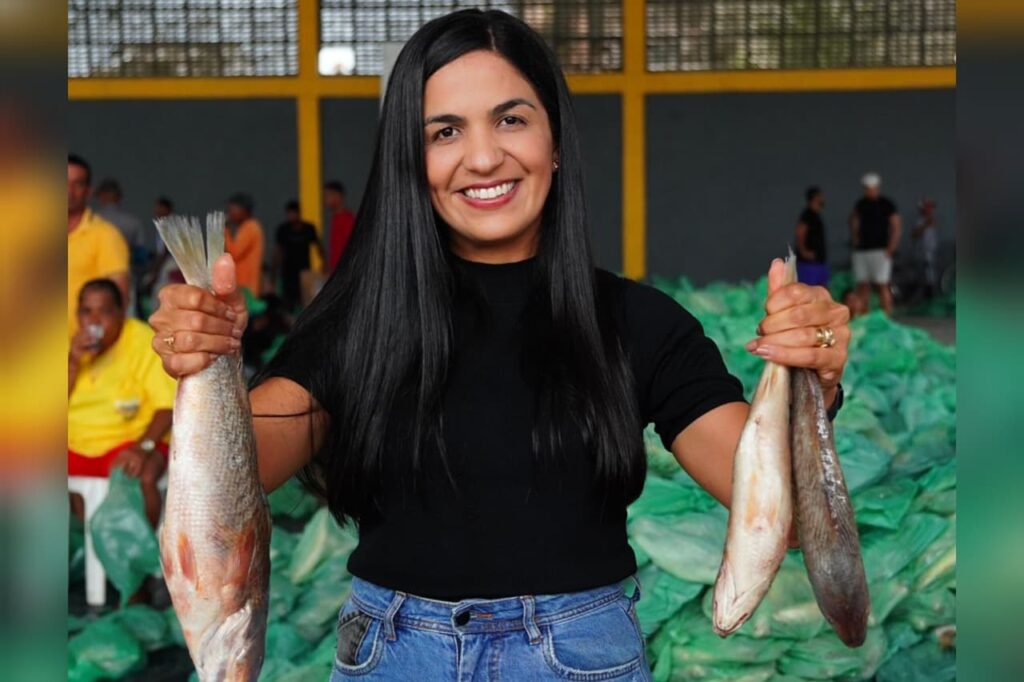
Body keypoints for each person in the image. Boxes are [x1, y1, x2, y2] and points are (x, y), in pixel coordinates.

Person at [149, 10, 850, 681]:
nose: (483, 158)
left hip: (581, 662)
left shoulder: (640, 323)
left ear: (555, 141)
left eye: (511, 119)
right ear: (411, 160)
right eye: (445, 131)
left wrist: (811, 386)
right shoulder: (360, 323)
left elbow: (780, 514)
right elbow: (239, 479)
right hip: (392, 660)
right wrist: (207, 361)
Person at [69, 279, 176, 528]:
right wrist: (73, 361)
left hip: (131, 440)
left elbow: (167, 406)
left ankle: (140, 548)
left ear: (121, 312)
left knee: (142, 473)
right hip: (76, 443)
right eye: (86, 312)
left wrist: (142, 447)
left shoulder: (143, 341)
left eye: (104, 312)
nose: (94, 322)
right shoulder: (73, 345)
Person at [68, 154, 129, 338]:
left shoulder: (106, 235)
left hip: (85, 349)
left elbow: (118, 302)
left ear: (88, 191)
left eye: (77, 184)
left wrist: (93, 345)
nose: (69, 190)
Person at [849, 172, 901, 315]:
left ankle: (887, 317)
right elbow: (854, 222)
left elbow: (896, 225)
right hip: (862, 250)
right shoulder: (860, 204)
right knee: (863, 285)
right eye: (867, 188)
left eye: (872, 188)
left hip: (881, 250)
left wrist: (891, 247)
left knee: (882, 284)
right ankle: (864, 316)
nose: (870, 191)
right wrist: (855, 239)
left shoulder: (886, 204)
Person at [273, 200, 325, 309]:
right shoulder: (283, 230)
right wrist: (274, 270)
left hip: (304, 271)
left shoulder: (309, 229)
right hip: (288, 272)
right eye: (289, 214)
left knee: (305, 301)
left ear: (298, 213)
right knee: (288, 303)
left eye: (293, 213)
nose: (291, 216)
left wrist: (324, 263)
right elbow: (278, 251)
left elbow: (318, 246)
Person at [224, 192, 265, 296]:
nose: (230, 214)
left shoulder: (250, 227)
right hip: (243, 286)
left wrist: (225, 230)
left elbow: (234, 252)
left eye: (232, 210)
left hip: (247, 287)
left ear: (244, 210)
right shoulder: (246, 227)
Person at [94, 177, 145, 257]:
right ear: (119, 196)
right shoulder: (133, 222)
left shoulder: (89, 220)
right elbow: (140, 254)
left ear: (100, 196)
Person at [794, 186, 829, 286]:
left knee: (822, 289)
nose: (823, 199)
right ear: (815, 198)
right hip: (809, 264)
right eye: (820, 196)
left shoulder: (816, 215)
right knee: (809, 288)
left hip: (819, 261)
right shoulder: (807, 215)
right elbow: (799, 233)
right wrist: (804, 252)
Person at [324, 180, 356, 271]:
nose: (324, 200)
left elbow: (353, 249)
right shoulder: (335, 219)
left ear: (338, 196)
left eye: (327, 196)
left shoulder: (347, 220)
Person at [912, 197, 939, 298]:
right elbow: (914, 234)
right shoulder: (920, 221)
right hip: (924, 252)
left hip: (931, 251)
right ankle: (927, 296)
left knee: (931, 274)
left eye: (931, 207)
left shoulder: (931, 220)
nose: (931, 209)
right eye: (929, 207)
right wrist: (926, 225)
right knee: (927, 276)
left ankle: (931, 294)